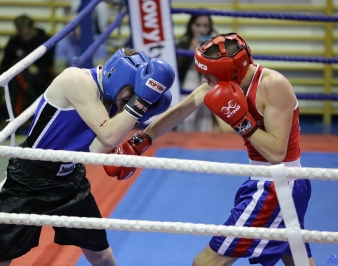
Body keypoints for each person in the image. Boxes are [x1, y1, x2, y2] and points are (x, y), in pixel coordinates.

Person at [104, 33, 316, 265]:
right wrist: (143, 139)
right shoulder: (220, 84)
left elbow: (276, 153)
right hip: (267, 181)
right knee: (298, 260)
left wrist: (241, 122)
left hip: (278, 185)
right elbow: (181, 111)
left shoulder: (273, 86)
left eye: (209, 75)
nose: (204, 79)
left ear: (231, 72)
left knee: (205, 263)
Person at [0, 48, 175, 266]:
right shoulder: (77, 80)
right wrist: (140, 103)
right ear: (117, 75)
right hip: (30, 177)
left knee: (101, 255)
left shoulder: (114, 98)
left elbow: (93, 150)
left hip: (70, 177)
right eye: (131, 95)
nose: (129, 102)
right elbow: (109, 136)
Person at [0, 14, 54, 117]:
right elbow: (4, 65)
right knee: (19, 77)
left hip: (41, 79)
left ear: (32, 28)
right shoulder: (14, 42)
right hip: (17, 79)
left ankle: (14, 119)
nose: (24, 37)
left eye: (27, 34)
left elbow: (50, 66)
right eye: (22, 34)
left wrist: (38, 70)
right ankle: (37, 111)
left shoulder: (45, 41)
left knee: (21, 77)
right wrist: (18, 67)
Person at [176, 14, 217, 132]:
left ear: (210, 28)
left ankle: (205, 144)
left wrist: (211, 51)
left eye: (205, 26)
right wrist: (190, 50)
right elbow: (178, 72)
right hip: (187, 84)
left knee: (206, 114)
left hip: (208, 83)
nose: (201, 29)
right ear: (191, 26)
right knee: (187, 112)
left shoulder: (215, 44)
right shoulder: (183, 43)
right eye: (197, 25)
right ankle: (184, 141)